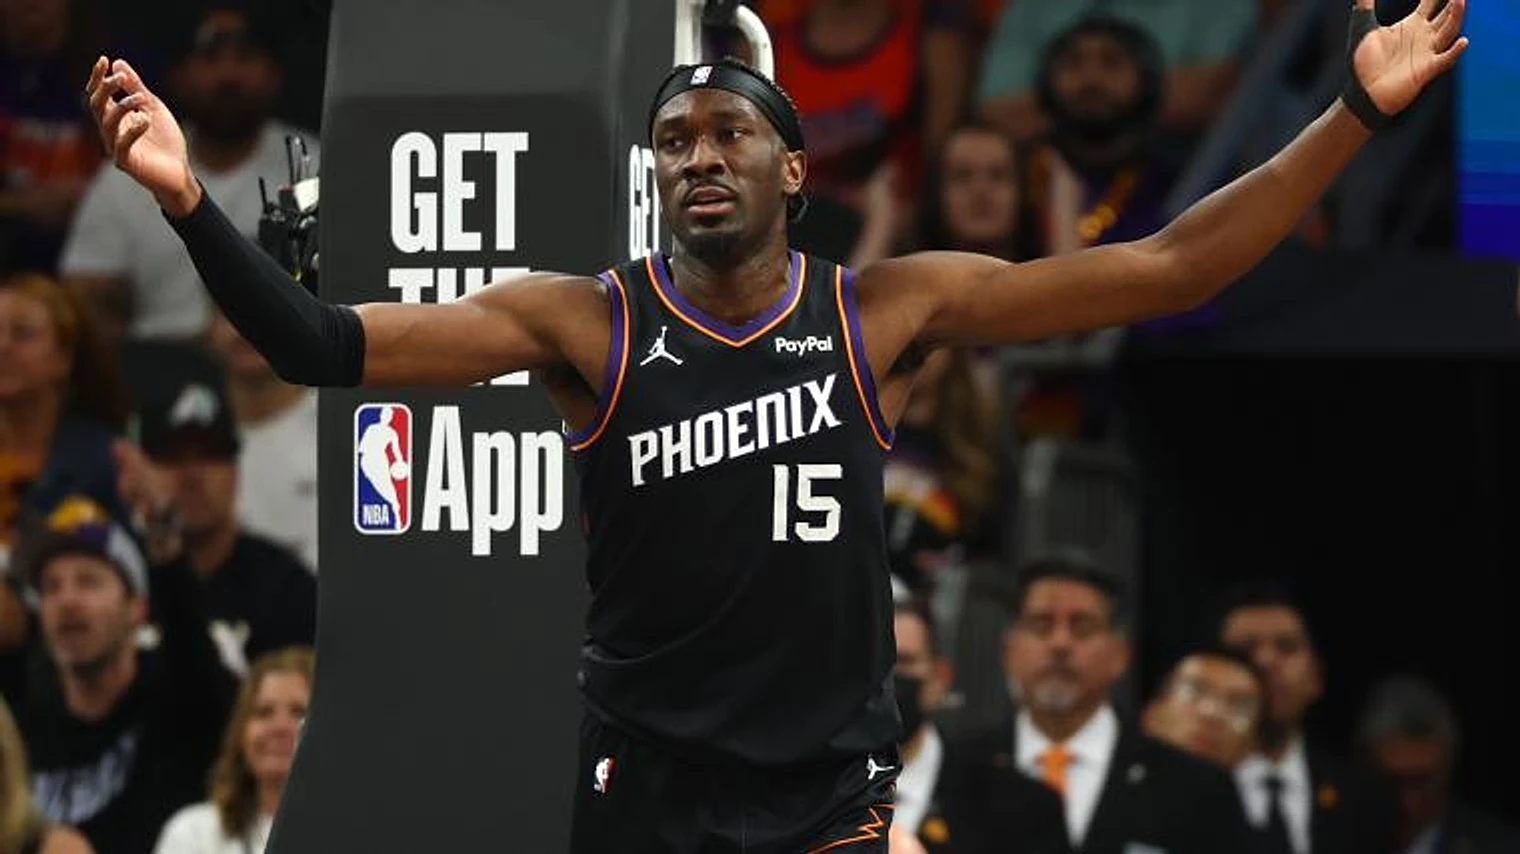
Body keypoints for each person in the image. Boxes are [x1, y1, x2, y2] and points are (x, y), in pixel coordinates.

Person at [79, 0, 1466, 847]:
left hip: (824, 790)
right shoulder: (585, 321)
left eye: (727, 134)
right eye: (673, 141)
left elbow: (1170, 268)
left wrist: (1351, 109)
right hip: (646, 774)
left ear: (793, 169)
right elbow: (319, 343)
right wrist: (187, 199)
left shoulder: (884, 308)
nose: (697, 155)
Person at [154, 646, 314, 854]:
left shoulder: (352, 834)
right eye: (263, 712)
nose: (279, 727)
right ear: (240, 730)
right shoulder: (193, 832)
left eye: (299, 712)